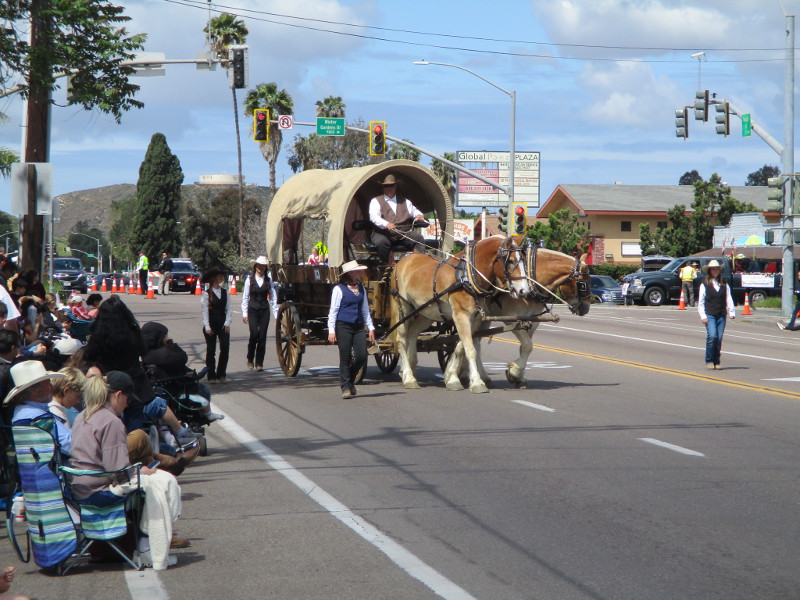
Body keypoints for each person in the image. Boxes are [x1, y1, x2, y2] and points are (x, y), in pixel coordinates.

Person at [70, 373, 184, 570]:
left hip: (78, 487)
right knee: (157, 484)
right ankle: (148, 548)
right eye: (128, 399)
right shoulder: (111, 422)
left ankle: (146, 546)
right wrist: (141, 472)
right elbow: (118, 470)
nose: (127, 404)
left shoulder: (82, 415)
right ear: (118, 395)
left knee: (151, 479)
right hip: (99, 491)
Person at [142, 321, 223, 422]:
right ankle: (208, 414)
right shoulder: (163, 354)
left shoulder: (146, 354)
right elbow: (182, 357)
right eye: (165, 336)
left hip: (164, 389)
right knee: (203, 392)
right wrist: (170, 343)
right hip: (175, 390)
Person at [327, 261, 375, 399]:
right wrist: (331, 330)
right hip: (343, 326)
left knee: (362, 356)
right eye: (358, 271)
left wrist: (371, 327)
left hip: (358, 327)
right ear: (350, 273)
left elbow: (365, 310)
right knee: (345, 357)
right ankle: (345, 387)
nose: (360, 273)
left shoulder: (362, 289)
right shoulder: (339, 289)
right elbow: (333, 311)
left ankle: (350, 380)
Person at [3, 361, 71, 454]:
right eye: (48, 383)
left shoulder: (21, 412)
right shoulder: (38, 417)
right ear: (36, 391)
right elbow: (69, 446)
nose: (52, 387)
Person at [368, 173, 426, 263]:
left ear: (395, 187)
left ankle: (417, 263)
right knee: (382, 242)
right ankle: (388, 265)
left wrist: (419, 215)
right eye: (386, 186)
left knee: (418, 238)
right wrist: (386, 224)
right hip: (383, 233)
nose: (389, 188)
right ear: (383, 188)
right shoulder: (375, 201)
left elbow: (414, 211)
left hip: (402, 234)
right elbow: (374, 217)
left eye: (391, 185)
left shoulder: (405, 201)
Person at [698, 259, 735, 370]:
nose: (715, 271)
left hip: (721, 314)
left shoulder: (724, 284)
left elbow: (728, 298)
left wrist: (731, 311)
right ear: (709, 271)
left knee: (718, 339)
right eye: (713, 269)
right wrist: (703, 316)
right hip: (710, 314)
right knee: (712, 336)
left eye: (717, 269)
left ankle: (716, 361)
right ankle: (709, 360)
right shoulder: (705, 284)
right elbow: (701, 302)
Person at [241, 256, 272, 372]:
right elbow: (245, 298)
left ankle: (259, 362)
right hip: (253, 309)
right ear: (255, 266)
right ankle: (250, 357)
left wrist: (276, 313)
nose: (261, 267)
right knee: (254, 334)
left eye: (263, 266)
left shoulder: (268, 280)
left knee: (262, 336)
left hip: (264, 309)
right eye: (259, 265)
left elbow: (273, 297)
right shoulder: (249, 280)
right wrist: (244, 314)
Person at [201, 267, 231, 383]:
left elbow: (229, 308)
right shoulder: (206, 294)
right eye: (218, 276)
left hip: (223, 325)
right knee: (211, 350)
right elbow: (204, 311)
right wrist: (207, 326)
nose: (220, 278)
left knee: (225, 348)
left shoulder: (225, 292)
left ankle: (221, 373)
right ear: (213, 279)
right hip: (211, 325)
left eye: (221, 276)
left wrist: (227, 322)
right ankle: (211, 375)